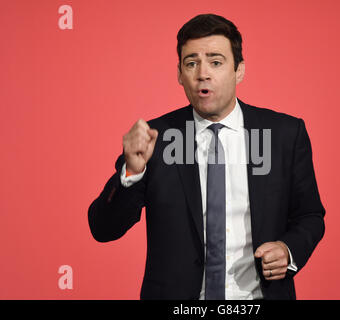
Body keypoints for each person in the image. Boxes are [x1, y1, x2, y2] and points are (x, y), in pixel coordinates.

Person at [88, 13, 325, 300]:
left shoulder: (285, 133)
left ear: (239, 71)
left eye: (216, 61)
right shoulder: (154, 139)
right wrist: (131, 172)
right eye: (191, 63)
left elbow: (310, 216)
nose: (203, 73)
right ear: (179, 74)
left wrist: (288, 250)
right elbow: (103, 229)